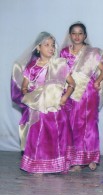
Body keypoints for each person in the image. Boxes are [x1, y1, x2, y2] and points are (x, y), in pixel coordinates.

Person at [11, 32, 75, 174]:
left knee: (57, 135)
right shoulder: (31, 67)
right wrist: (31, 94)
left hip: (56, 107)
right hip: (39, 108)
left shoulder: (60, 64)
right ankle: (38, 165)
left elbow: (72, 84)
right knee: (39, 136)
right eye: (46, 45)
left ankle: (58, 164)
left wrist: (64, 98)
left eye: (53, 45)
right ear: (38, 47)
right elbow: (24, 87)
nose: (51, 48)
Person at [60, 22, 103, 171]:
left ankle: (91, 157)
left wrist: (98, 82)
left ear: (85, 36)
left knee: (89, 125)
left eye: (80, 33)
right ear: (70, 36)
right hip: (70, 92)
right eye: (74, 33)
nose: (77, 36)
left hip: (88, 93)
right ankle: (75, 160)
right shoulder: (64, 53)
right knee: (72, 125)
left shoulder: (92, 52)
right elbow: (60, 72)